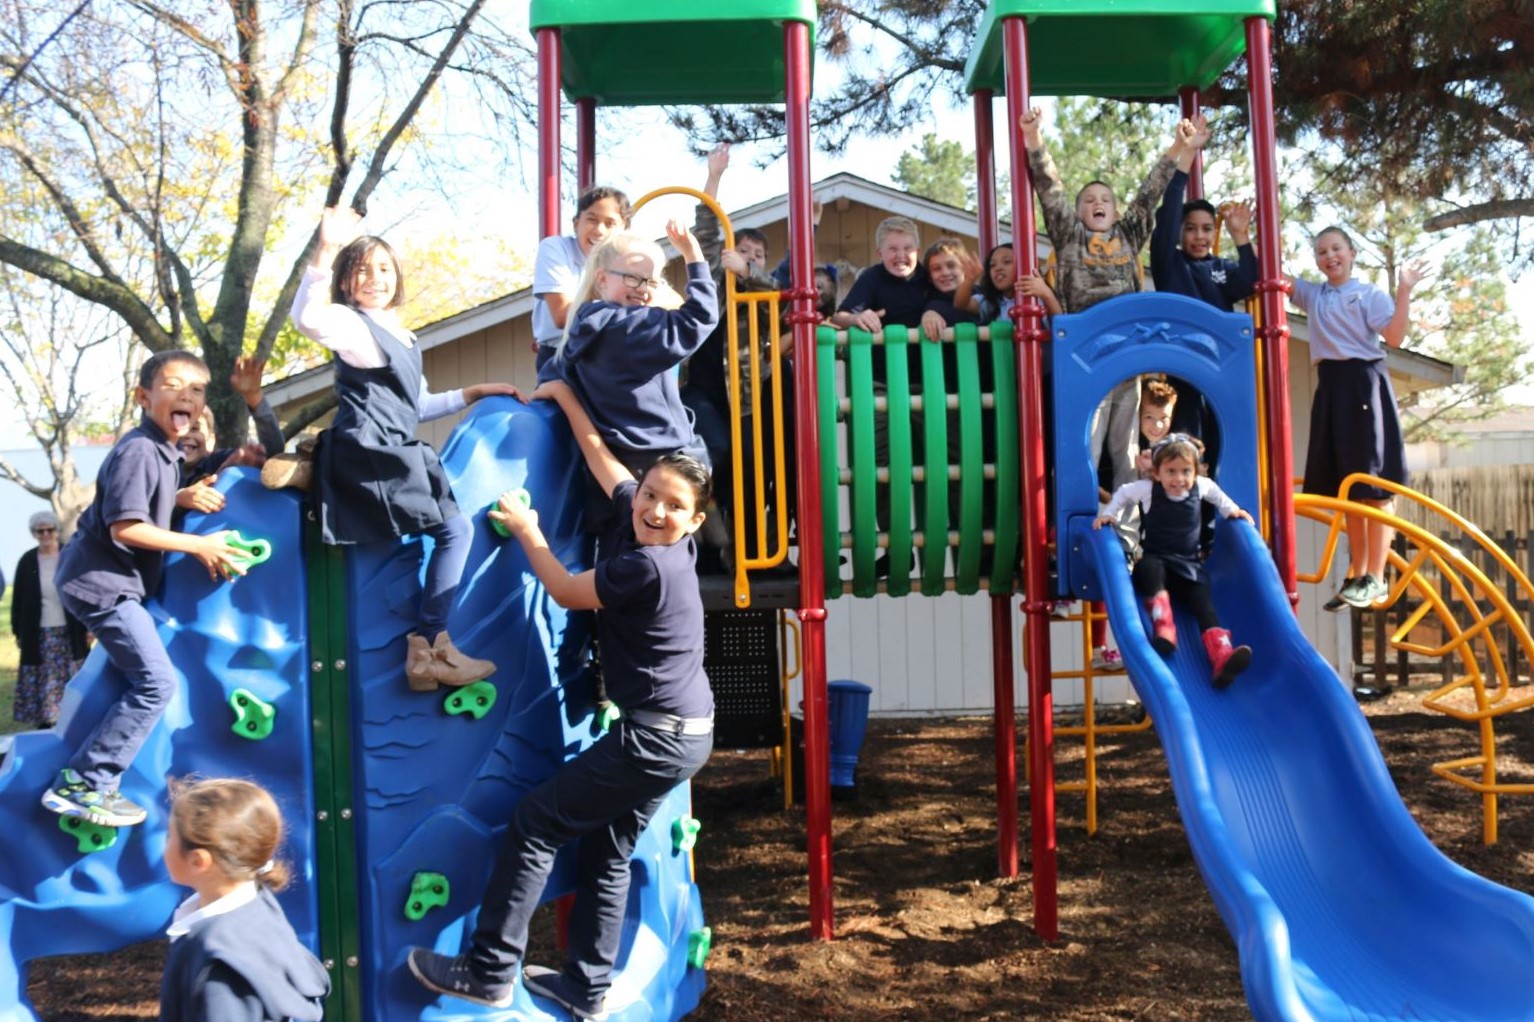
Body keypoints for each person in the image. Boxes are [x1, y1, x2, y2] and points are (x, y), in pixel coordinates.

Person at [408, 379, 714, 1021]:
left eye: (673, 506)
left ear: (696, 520)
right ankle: (586, 987)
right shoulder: (651, 524)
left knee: (536, 822)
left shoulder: (650, 565)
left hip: (657, 738)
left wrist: (526, 530)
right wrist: (569, 398)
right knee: (607, 850)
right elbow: (605, 463)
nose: (653, 509)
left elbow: (569, 591)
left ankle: (489, 971)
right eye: (651, 494)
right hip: (683, 734)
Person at [289, 206, 520, 691]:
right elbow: (306, 317)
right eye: (361, 269)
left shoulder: (401, 335)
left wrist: (473, 392)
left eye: (384, 268)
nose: (374, 277)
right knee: (455, 531)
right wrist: (326, 247)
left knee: (450, 525)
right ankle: (433, 643)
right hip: (370, 452)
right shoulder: (353, 327)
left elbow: (416, 404)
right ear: (345, 284)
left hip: (390, 446)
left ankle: (427, 653)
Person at [42, 350, 249, 827]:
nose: (187, 397)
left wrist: (180, 497)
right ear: (143, 397)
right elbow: (126, 527)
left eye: (197, 390)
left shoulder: (164, 452)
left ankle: (88, 775)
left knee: (138, 677)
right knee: (157, 683)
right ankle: (86, 783)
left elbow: (143, 501)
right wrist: (199, 545)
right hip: (103, 584)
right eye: (174, 386)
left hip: (112, 584)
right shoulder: (139, 449)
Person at [1287, 226, 1426, 623]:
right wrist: (1246, 235)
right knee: (1349, 489)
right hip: (1330, 387)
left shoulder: (1366, 294)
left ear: (1351, 253)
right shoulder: (1316, 295)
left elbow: (1395, 337)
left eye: (1336, 249)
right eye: (1321, 252)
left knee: (1371, 486)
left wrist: (1404, 290)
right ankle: (1356, 574)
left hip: (1362, 382)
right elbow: (1280, 280)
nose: (1329, 256)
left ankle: (1376, 575)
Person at [547, 219, 718, 521]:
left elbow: (556, 370)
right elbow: (699, 319)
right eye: (632, 278)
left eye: (650, 282)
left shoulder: (586, 327)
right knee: (659, 560)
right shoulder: (628, 328)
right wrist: (693, 256)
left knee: (623, 558)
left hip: (617, 466)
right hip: (658, 465)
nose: (643, 290)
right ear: (601, 279)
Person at [159, 777, 329, 1022]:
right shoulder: (258, 904)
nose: (163, 847)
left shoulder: (218, 967)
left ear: (198, 861)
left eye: (168, 838)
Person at [1094, 434, 1254, 689]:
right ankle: (1164, 626)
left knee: (1203, 604)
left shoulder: (1200, 486)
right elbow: (1123, 493)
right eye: (1171, 471)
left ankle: (1221, 654)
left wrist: (1232, 511)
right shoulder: (1148, 490)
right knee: (1147, 568)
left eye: (1185, 471)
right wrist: (1110, 515)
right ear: (1157, 473)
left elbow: (1217, 495)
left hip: (1188, 565)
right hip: (1157, 559)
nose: (1179, 479)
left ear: (1196, 471)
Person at [532, 187, 633, 373]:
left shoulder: (632, 258)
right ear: (576, 223)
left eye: (610, 223)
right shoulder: (555, 248)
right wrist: (631, 314)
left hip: (611, 355)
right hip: (560, 355)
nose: (599, 230)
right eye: (592, 220)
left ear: (624, 228)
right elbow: (563, 315)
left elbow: (671, 302)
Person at [178, 355, 286, 515]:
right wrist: (178, 499)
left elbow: (274, 451)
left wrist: (253, 396)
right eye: (181, 427)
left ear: (211, 440)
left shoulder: (219, 460)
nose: (186, 434)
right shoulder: (156, 465)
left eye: (195, 428)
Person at [11, 510, 89, 729]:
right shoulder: (27, 561)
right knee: (45, 680)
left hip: (70, 629)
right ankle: (47, 724)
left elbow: (84, 591)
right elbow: (18, 599)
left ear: (56, 530)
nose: (45, 534)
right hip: (40, 632)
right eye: (40, 531)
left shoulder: (70, 554)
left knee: (72, 676)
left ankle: (75, 720)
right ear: (34, 533)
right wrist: (18, 631)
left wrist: (88, 627)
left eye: (50, 530)